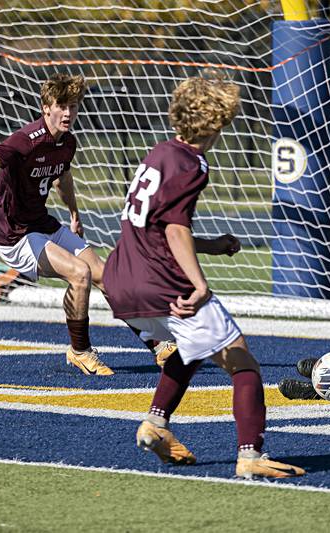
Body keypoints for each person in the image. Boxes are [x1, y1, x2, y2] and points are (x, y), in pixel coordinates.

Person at [102, 74, 304, 479]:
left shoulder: (158, 152)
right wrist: (200, 284)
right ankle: (251, 455)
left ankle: (156, 424)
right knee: (241, 359)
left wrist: (211, 246)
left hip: (120, 277)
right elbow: (175, 230)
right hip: (160, 281)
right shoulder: (192, 163)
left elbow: (157, 226)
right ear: (217, 120)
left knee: (191, 347)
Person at [0, 73, 175, 375]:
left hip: (42, 224)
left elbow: (62, 177)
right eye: (61, 106)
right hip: (14, 237)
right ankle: (80, 351)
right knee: (79, 274)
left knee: (108, 275)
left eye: (73, 106)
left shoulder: (67, 142)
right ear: (46, 108)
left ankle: (158, 346)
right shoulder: (26, 140)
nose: (68, 113)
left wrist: (74, 213)